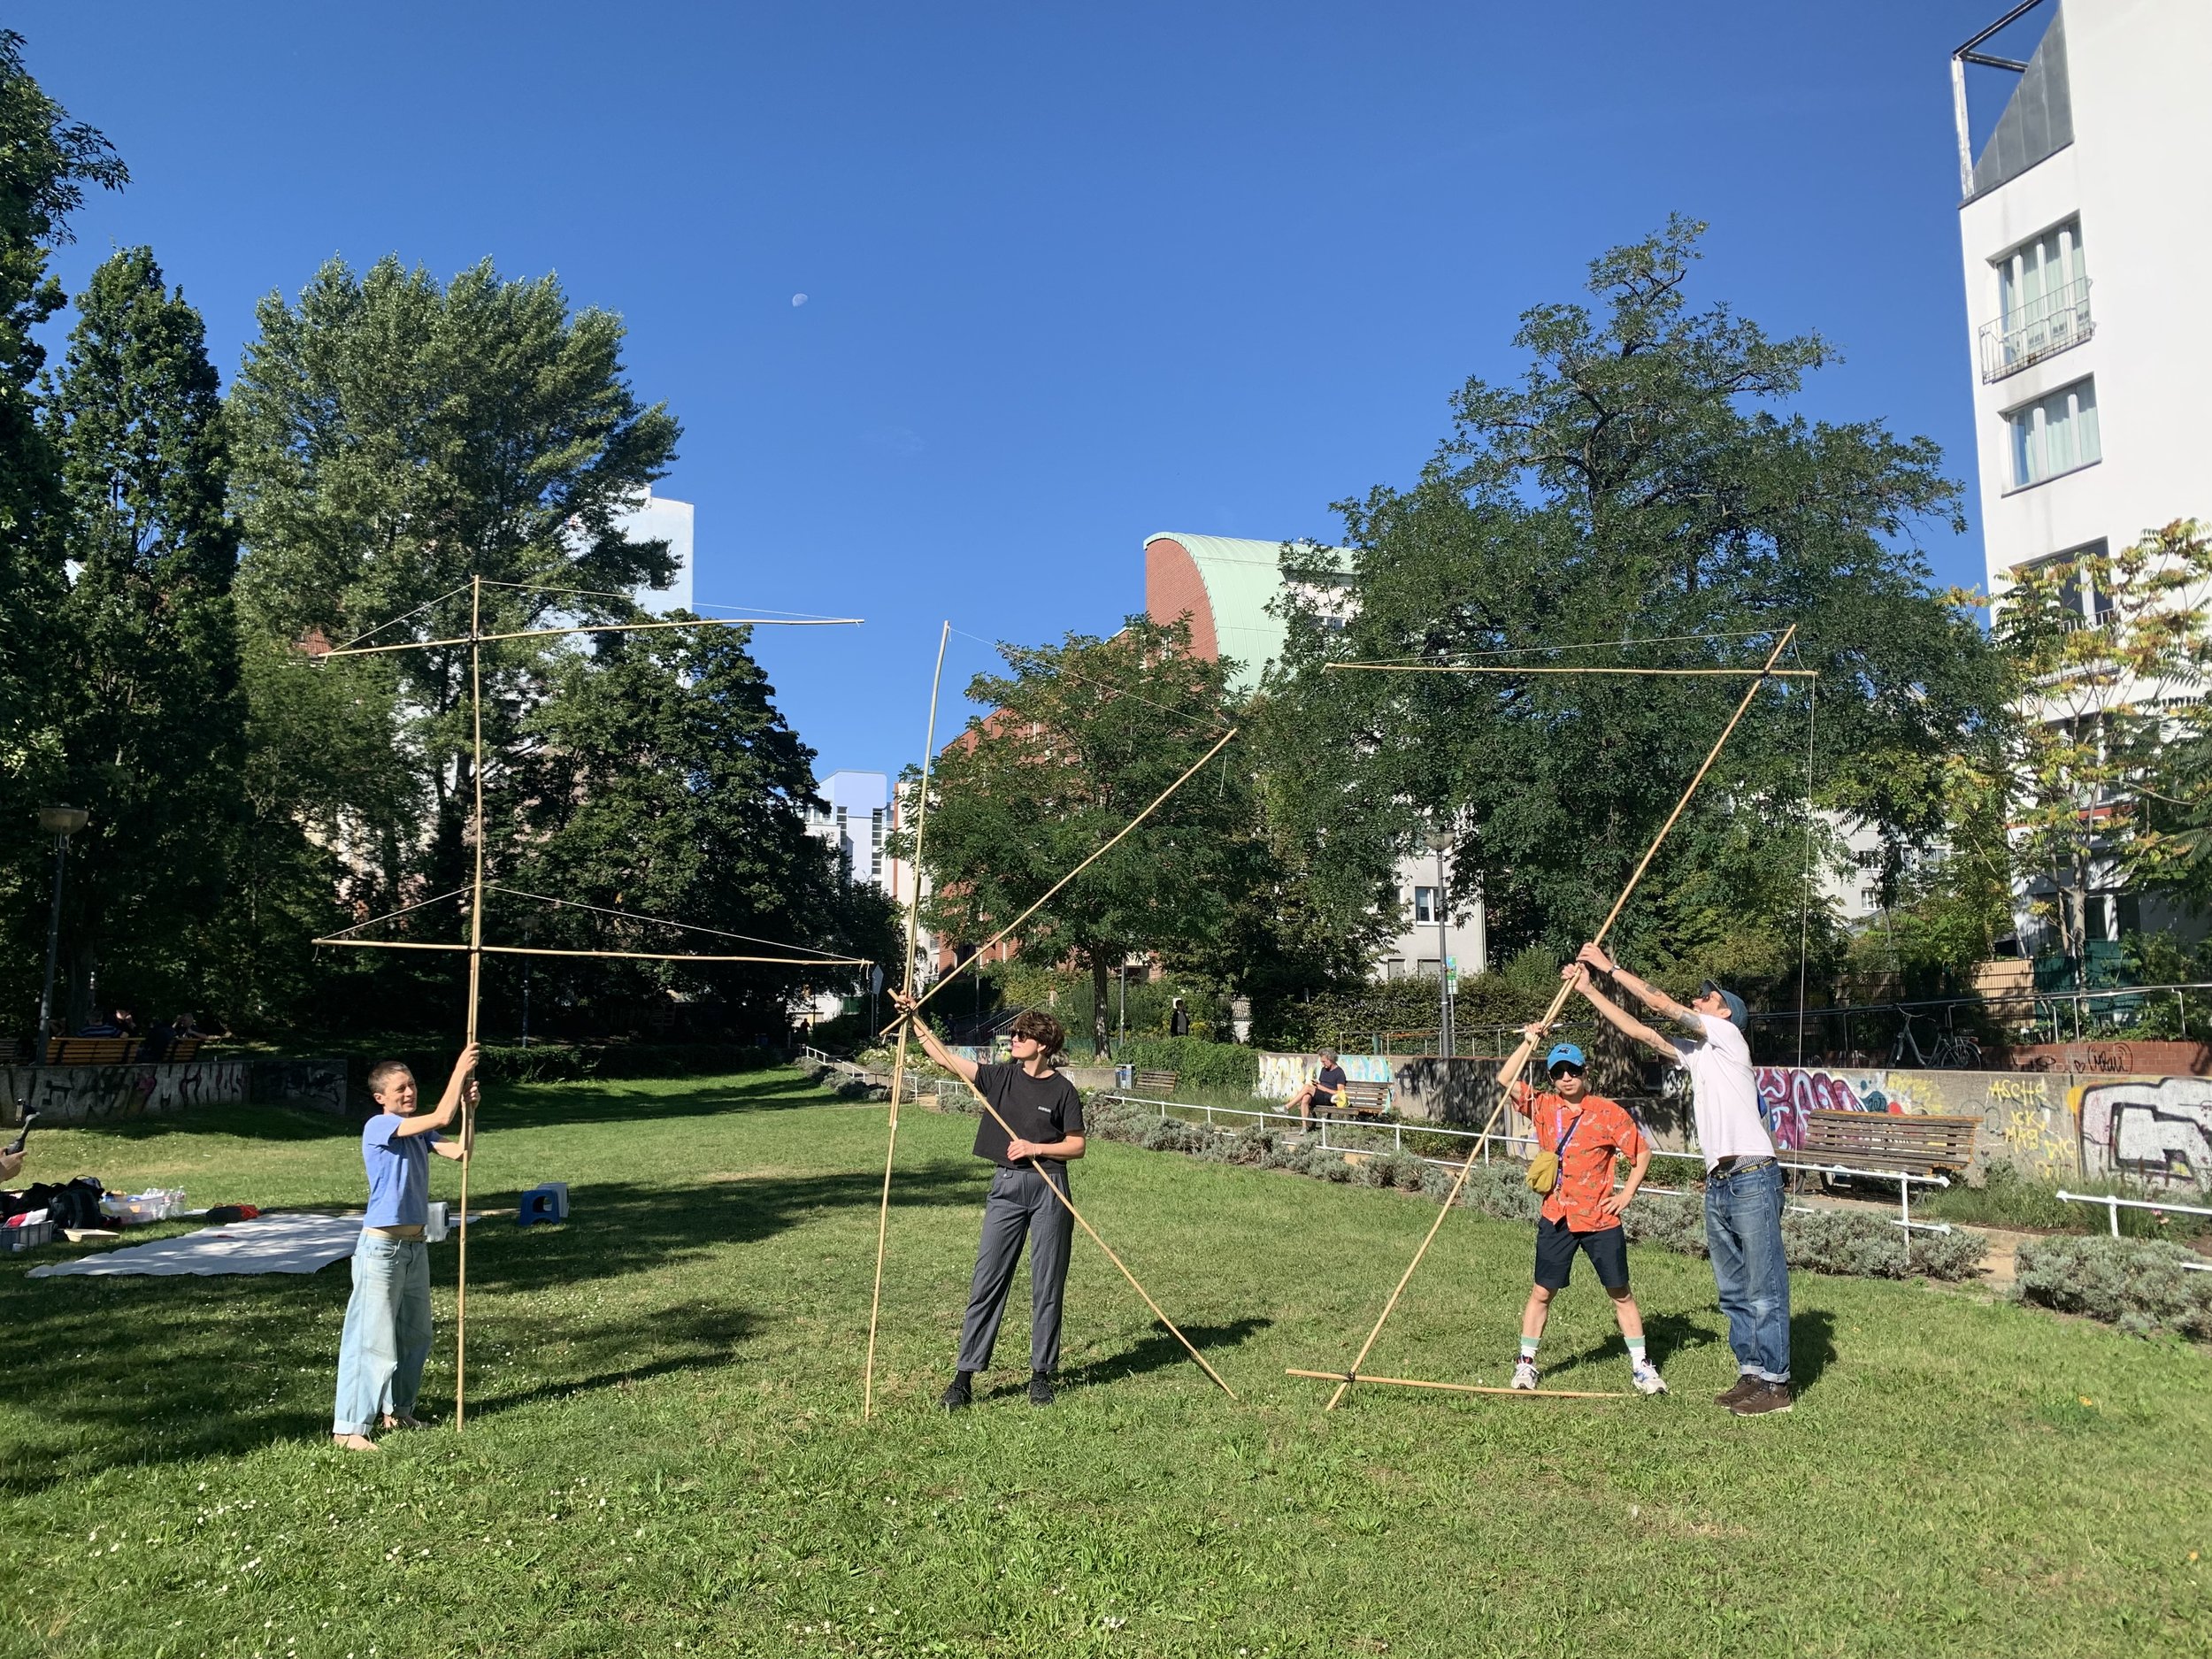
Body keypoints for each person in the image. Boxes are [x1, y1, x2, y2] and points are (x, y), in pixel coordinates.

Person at [1568, 945, 1793, 1417]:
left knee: (1763, 1285)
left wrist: (1610, 967)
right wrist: (1590, 990)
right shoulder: (1699, 1056)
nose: (1697, 1001)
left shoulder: (1729, 1037)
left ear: (1725, 1011)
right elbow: (1641, 1031)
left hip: (1752, 1174)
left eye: (1706, 998)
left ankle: (1776, 1384)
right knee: (1732, 1289)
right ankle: (1750, 1373)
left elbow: (1660, 1005)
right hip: (1720, 1182)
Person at [894, 996, 1085, 1409]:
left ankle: (1041, 1376)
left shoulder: (1062, 1090)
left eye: (1023, 1035)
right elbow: (944, 1058)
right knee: (987, 1282)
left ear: (1044, 1044)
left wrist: (1036, 1146)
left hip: (1050, 1187)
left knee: (1047, 1285)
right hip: (1007, 1188)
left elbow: (1077, 1145)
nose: (1014, 1039)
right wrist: (916, 1021)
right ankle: (963, 1378)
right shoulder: (1000, 1078)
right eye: (1014, 1034)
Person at [332, 1044, 477, 1451]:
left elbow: (462, 1151)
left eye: (412, 1084)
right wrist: (459, 1071)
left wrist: (470, 1112)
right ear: (381, 1097)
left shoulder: (421, 1131)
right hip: (381, 1249)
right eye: (400, 1088)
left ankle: (397, 1411)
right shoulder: (378, 1126)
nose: (409, 1092)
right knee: (372, 1339)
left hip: (415, 1247)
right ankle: (349, 1428)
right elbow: (442, 1113)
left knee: (415, 1335)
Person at [1506, 1036, 1667, 1395]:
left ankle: (1642, 1366)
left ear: (1585, 1071)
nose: (1566, 1077)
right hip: (1556, 1216)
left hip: (1600, 1220)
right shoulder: (1543, 1106)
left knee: (1620, 1292)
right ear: (1551, 1078)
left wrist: (1626, 1195)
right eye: (1558, 1072)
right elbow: (1505, 1079)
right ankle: (1526, 1364)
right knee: (1542, 1291)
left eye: (1573, 1070)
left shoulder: (1607, 1112)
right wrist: (1529, 1041)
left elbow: (1642, 1154)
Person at [1286, 1049, 1348, 1128]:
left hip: (1330, 1098)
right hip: (1321, 1096)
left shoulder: (1339, 1073)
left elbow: (1340, 1093)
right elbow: (1322, 1084)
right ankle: (1304, 1127)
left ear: (1330, 1059)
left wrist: (1323, 1088)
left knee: (1307, 1087)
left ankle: (1287, 1107)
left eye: (1324, 1061)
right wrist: (1317, 1084)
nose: (1322, 1064)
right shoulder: (1324, 1070)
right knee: (1305, 1098)